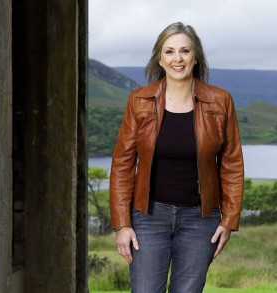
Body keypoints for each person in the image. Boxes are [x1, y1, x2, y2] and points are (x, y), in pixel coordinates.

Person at [109, 22, 244, 293]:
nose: (177, 59)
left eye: (185, 51)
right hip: (148, 217)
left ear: (196, 57)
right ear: (160, 59)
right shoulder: (139, 101)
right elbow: (122, 165)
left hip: (200, 219)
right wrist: (122, 223)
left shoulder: (220, 101)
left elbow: (232, 164)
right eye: (169, 52)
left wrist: (228, 220)